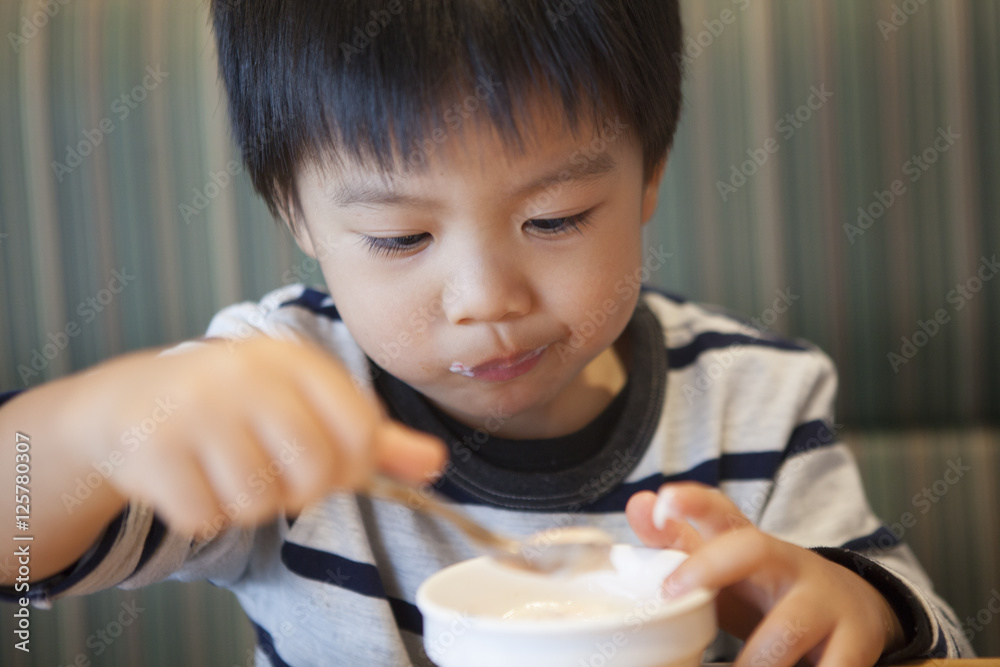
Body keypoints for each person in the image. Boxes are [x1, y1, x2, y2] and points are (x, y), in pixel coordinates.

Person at [0, 1, 973, 664]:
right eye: (399, 235)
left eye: (553, 219)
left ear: (648, 176)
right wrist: (102, 427)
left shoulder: (753, 395)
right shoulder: (275, 389)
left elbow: (923, 633)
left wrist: (846, 609)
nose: (483, 297)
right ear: (297, 217)